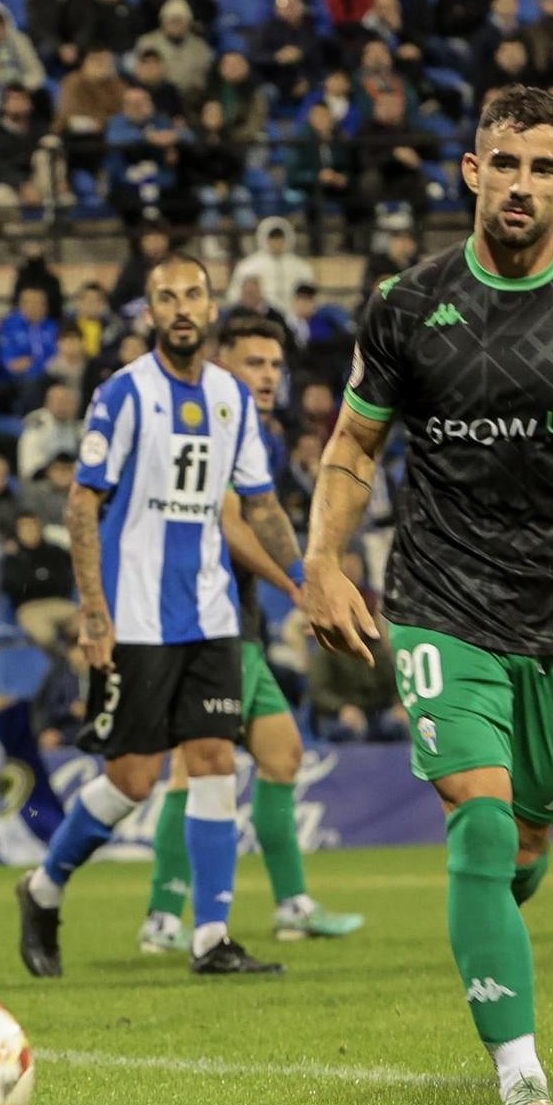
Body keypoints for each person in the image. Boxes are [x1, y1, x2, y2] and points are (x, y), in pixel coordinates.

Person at [301, 86, 553, 1105]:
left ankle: (487, 933)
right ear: (469, 172)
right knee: (476, 816)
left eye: (540, 167)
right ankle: (519, 1073)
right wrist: (324, 562)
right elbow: (351, 446)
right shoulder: (407, 302)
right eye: (501, 162)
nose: (518, 183)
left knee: (520, 848)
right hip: (439, 602)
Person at [16, 254, 299, 982]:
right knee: (135, 778)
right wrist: (94, 614)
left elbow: (260, 505)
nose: (181, 307)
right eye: (167, 296)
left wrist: (308, 581)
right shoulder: (123, 394)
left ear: (211, 307)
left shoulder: (235, 399)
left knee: (211, 763)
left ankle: (211, 936)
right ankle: (43, 887)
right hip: (136, 615)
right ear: (149, 311)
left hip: (211, 613)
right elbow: (83, 504)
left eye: (194, 294)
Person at [137, 320, 364, 952]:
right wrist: (298, 583)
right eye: (253, 362)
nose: (268, 375)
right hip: (202, 623)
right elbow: (229, 521)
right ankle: (162, 917)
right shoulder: (208, 420)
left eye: (274, 364)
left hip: (239, 627)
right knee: (191, 771)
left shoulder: (253, 428)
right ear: (219, 363)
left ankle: (288, 905)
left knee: (280, 755)